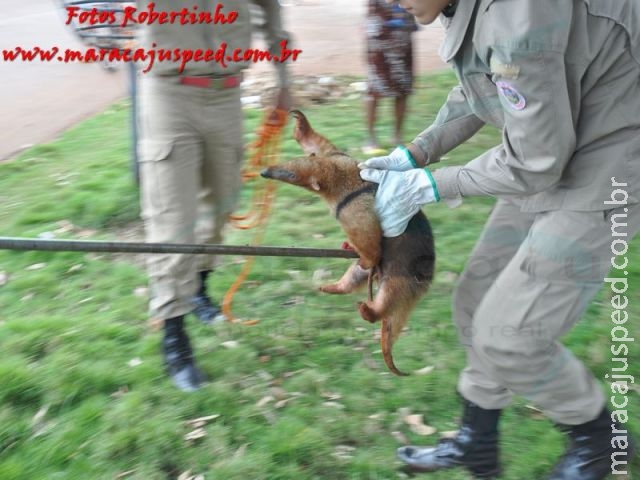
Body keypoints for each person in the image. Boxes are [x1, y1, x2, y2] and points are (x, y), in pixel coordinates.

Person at [359, 0, 639, 478]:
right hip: (559, 141)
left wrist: (430, 185)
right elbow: (480, 91)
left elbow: (536, 160)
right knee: (476, 300)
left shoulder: (518, 16)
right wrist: (413, 154)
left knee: (512, 337)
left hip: (610, 163)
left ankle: (598, 440)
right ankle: (477, 441)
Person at [136, 0, 292, 392]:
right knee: (172, 220)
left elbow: (271, 11)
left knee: (222, 206)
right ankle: (174, 332)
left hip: (226, 96)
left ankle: (199, 285)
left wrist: (284, 78)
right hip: (170, 94)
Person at [363, 0, 417, 155]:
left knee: (403, 86)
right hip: (378, 29)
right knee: (374, 88)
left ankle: (397, 137)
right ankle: (370, 137)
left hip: (402, 29)